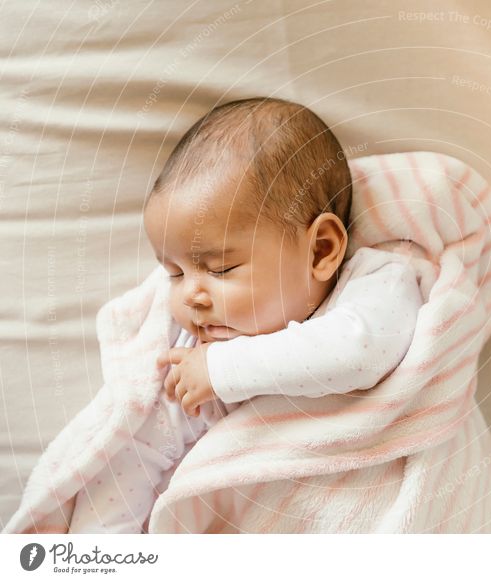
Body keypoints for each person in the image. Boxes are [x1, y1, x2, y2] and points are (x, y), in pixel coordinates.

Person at [68, 97, 422, 533]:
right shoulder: (193, 362)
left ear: (321, 250)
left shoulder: (374, 283)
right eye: (174, 273)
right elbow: (132, 467)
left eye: (220, 268)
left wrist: (223, 369)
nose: (191, 295)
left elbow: (360, 352)